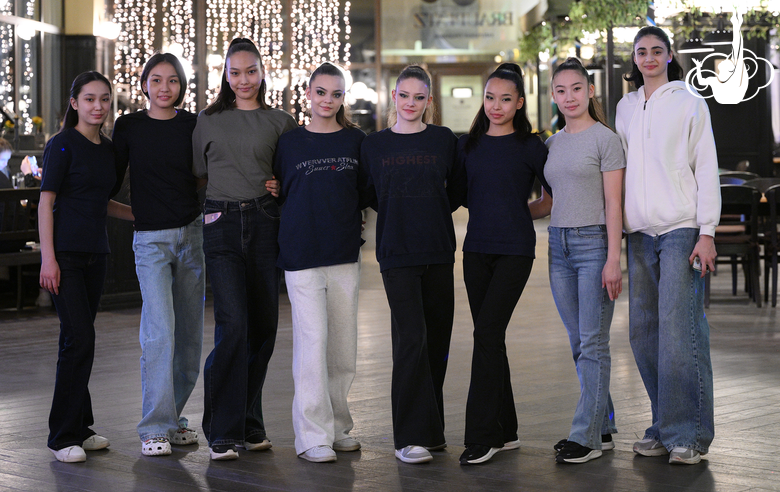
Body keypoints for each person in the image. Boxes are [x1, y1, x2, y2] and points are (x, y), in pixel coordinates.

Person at [617, 26, 720, 465]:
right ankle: (664, 425)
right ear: (635, 59)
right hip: (638, 234)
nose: (649, 57)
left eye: (657, 50)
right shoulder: (624, 108)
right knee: (645, 335)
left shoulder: (690, 103)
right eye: (642, 52)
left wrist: (708, 231)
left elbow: (706, 165)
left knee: (681, 335)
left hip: (681, 228)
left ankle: (690, 435)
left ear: (669, 55)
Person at [192, 37, 297, 461]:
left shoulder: (281, 122)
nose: (243, 80)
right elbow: (200, 172)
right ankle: (221, 430)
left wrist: (279, 185)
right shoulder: (208, 120)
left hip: (265, 222)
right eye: (234, 73)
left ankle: (249, 425)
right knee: (233, 326)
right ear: (225, 76)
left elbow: (291, 176)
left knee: (263, 330)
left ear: (262, 71)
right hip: (220, 223)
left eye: (250, 71)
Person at [360, 65, 460, 465]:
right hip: (397, 253)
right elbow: (369, 193)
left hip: (438, 251)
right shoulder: (374, 146)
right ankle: (409, 437)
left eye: (420, 97)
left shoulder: (444, 141)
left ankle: (431, 433)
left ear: (429, 101)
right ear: (394, 97)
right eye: (405, 96)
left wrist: (426, 211)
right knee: (411, 341)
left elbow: (455, 192)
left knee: (437, 343)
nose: (411, 104)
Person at [454, 63, 552, 466]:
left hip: (515, 251)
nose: (496, 106)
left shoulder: (532, 145)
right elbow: (454, 193)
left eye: (506, 99)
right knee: (490, 337)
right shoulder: (466, 145)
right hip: (475, 251)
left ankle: (482, 435)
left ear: (520, 103)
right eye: (490, 97)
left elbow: (550, 199)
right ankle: (507, 430)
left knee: (487, 334)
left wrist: (516, 213)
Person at [273, 62, 368, 463]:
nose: (328, 100)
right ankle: (312, 436)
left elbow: (366, 193)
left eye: (336, 93)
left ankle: (338, 426)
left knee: (342, 348)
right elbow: (277, 189)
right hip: (301, 254)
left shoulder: (356, 141)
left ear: (343, 98)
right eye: (321, 92)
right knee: (312, 345)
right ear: (308, 94)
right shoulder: (290, 143)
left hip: (344, 253)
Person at [112, 52, 204, 457]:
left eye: (172, 80)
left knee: (188, 338)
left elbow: (206, 176)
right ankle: (153, 427)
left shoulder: (193, 124)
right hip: (149, 241)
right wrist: (138, 216)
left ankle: (173, 419)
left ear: (181, 85)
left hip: (192, 236)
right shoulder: (128, 126)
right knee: (159, 333)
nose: (164, 87)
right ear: (145, 83)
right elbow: (108, 182)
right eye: (156, 79)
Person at [39, 71, 134, 463]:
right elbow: (47, 202)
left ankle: (82, 426)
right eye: (90, 99)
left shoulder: (108, 150)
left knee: (79, 337)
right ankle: (62, 436)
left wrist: (142, 216)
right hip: (65, 257)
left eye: (105, 99)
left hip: (97, 255)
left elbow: (100, 202)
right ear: (75, 103)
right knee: (79, 339)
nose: (99, 106)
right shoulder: (61, 146)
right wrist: (49, 258)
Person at [544, 57, 625, 464]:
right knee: (580, 342)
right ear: (553, 96)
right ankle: (603, 425)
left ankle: (586, 436)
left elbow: (614, 203)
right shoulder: (552, 143)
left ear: (590, 91)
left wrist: (614, 258)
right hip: (557, 247)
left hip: (595, 245)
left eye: (576, 88)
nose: (569, 96)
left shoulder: (605, 140)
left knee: (593, 342)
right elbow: (548, 201)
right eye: (561, 90)